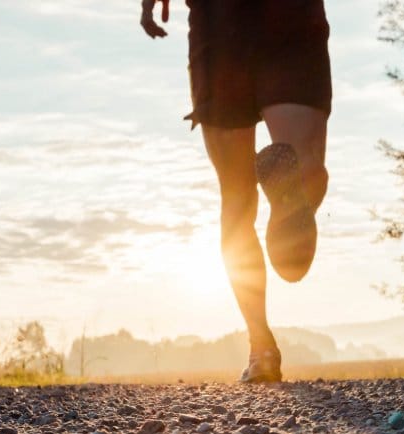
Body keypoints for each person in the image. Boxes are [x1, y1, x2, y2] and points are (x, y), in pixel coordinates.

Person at [140, 0, 332, 382]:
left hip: (219, 22)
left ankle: (261, 348)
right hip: (289, 17)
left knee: (237, 198)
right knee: (305, 163)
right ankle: (293, 193)